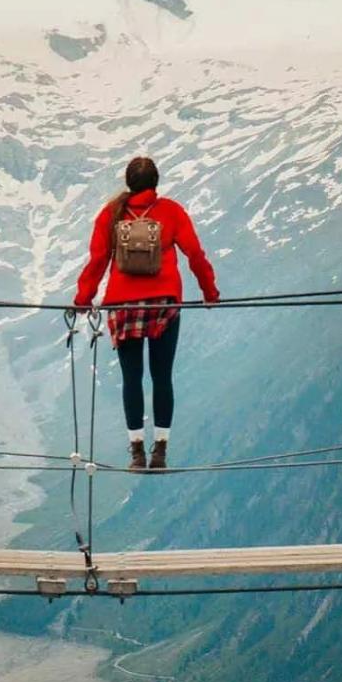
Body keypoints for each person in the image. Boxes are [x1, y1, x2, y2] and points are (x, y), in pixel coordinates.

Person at [73, 155, 220, 472]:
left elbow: (97, 261)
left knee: (132, 378)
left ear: (129, 182)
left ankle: (137, 453)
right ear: (156, 182)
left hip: (123, 306)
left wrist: (83, 299)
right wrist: (209, 292)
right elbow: (195, 253)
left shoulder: (110, 214)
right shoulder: (170, 211)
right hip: (164, 303)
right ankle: (161, 452)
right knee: (161, 376)